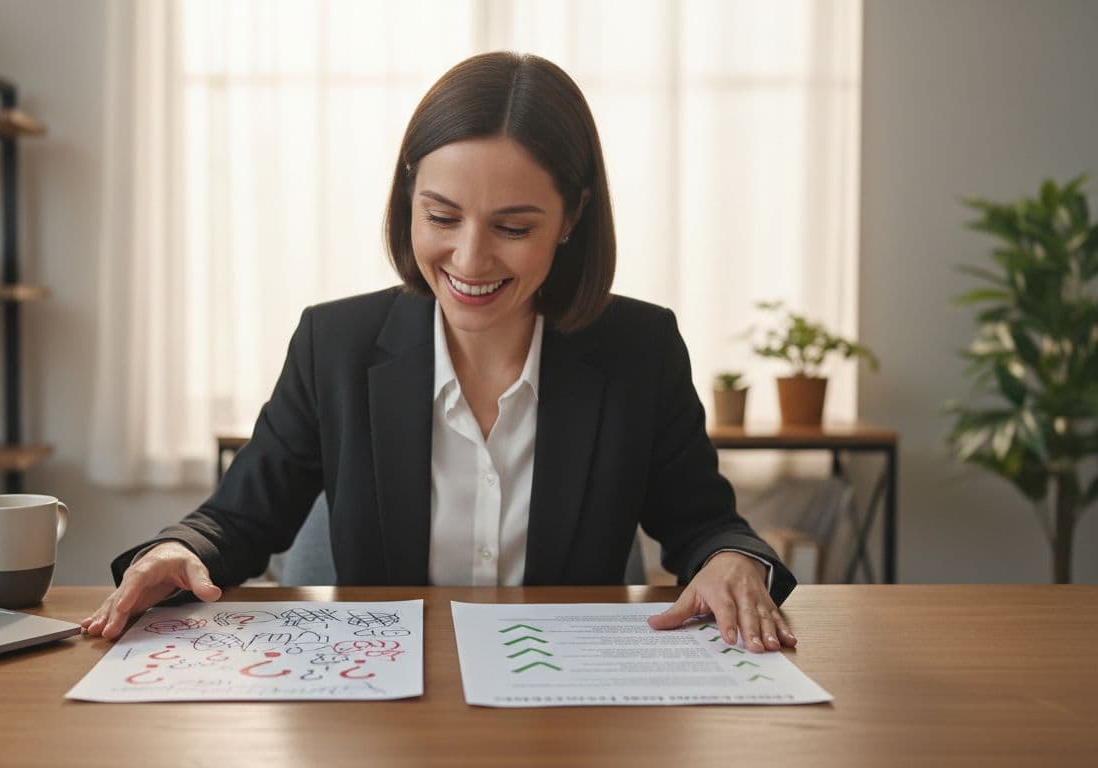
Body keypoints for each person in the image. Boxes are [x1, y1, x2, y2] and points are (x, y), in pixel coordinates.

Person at [83, 51, 799, 654]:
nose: (469, 258)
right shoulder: (335, 344)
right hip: (385, 704)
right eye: (442, 216)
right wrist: (178, 552)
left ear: (573, 216)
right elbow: (239, 519)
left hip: (570, 710)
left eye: (513, 227)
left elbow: (703, 522)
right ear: (408, 198)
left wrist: (734, 560)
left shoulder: (639, 349)